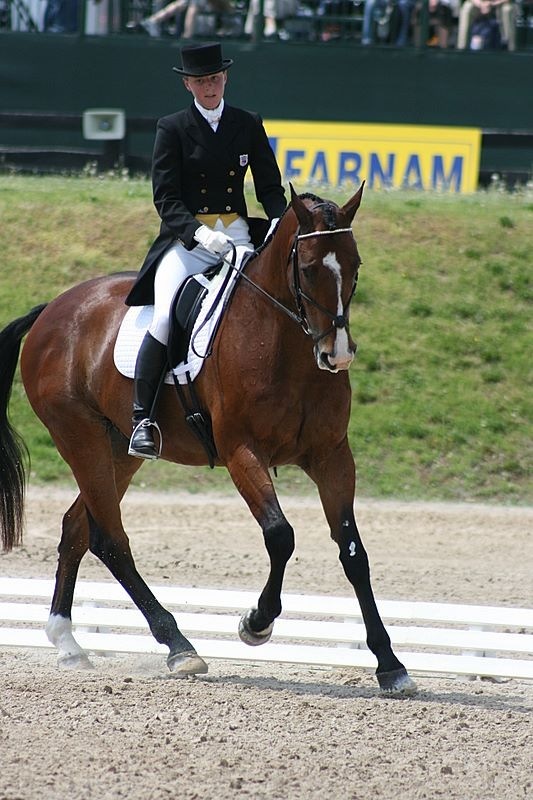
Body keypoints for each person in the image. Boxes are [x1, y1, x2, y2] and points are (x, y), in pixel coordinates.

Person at [125, 42, 287, 460]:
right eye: (200, 81)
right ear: (188, 85)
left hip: (238, 238)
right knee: (164, 316)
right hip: (189, 242)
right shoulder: (172, 128)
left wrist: (280, 222)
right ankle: (143, 419)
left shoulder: (247, 123)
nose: (209, 87)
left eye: (214, 79)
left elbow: (270, 186)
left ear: (225, 78)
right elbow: (166, 197)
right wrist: (198, 233)